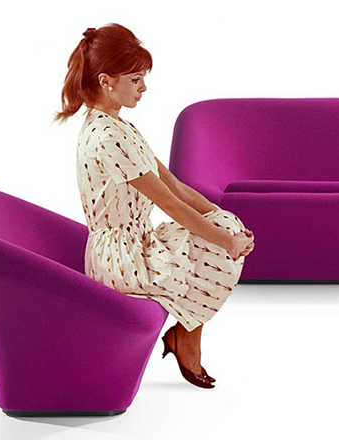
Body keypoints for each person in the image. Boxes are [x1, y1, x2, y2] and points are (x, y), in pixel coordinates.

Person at [54, 24, 255, 389]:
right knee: (219, 245)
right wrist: (227, 242)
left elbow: (174, 186)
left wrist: (224, 221)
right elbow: (170, 205)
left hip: (138, 241)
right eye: (135, 79)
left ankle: (185, 334)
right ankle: (186, 337)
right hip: (121, 257)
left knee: (224, 227)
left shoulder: (122, 128)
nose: (143, 88)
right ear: (106, 81)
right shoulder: (108, 137)